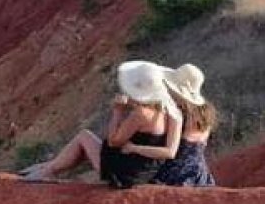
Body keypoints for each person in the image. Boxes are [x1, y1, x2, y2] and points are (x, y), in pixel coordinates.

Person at [20, 61, 182, 187]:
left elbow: (114, 141)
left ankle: (48, 170)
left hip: (124, 174)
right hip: (146, 172)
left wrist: (117, 112)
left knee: (84, 136)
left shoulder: (141, 115)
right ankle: (50, 166)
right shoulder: (170, 112)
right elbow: (168, 149)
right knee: (89, 144)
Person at [135, 64, 217, 187]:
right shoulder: (206, 112)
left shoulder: (178, 113)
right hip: (199, 173)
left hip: (176, 173)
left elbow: (170, 152)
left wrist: (134, 148)